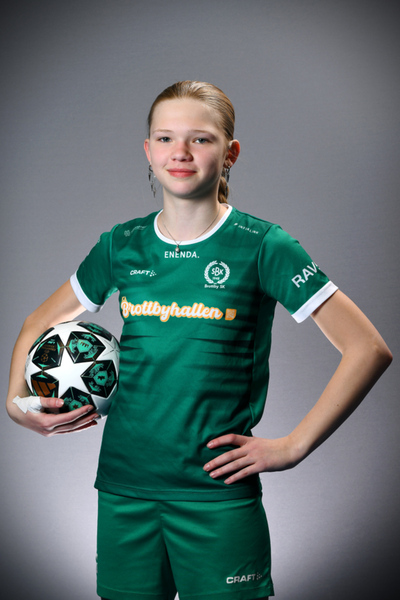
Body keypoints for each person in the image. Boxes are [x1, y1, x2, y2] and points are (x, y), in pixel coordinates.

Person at [6, 81, 392, 600]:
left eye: (201, 139)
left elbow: (368, 348)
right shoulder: (121, 245)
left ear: (230, 153)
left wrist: (294, 446)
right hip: (123, 490)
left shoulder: (264, 245)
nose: (181, 152)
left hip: (217, 496)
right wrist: (16, 404)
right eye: (165, 138)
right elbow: (36, 322)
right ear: (148, 151)